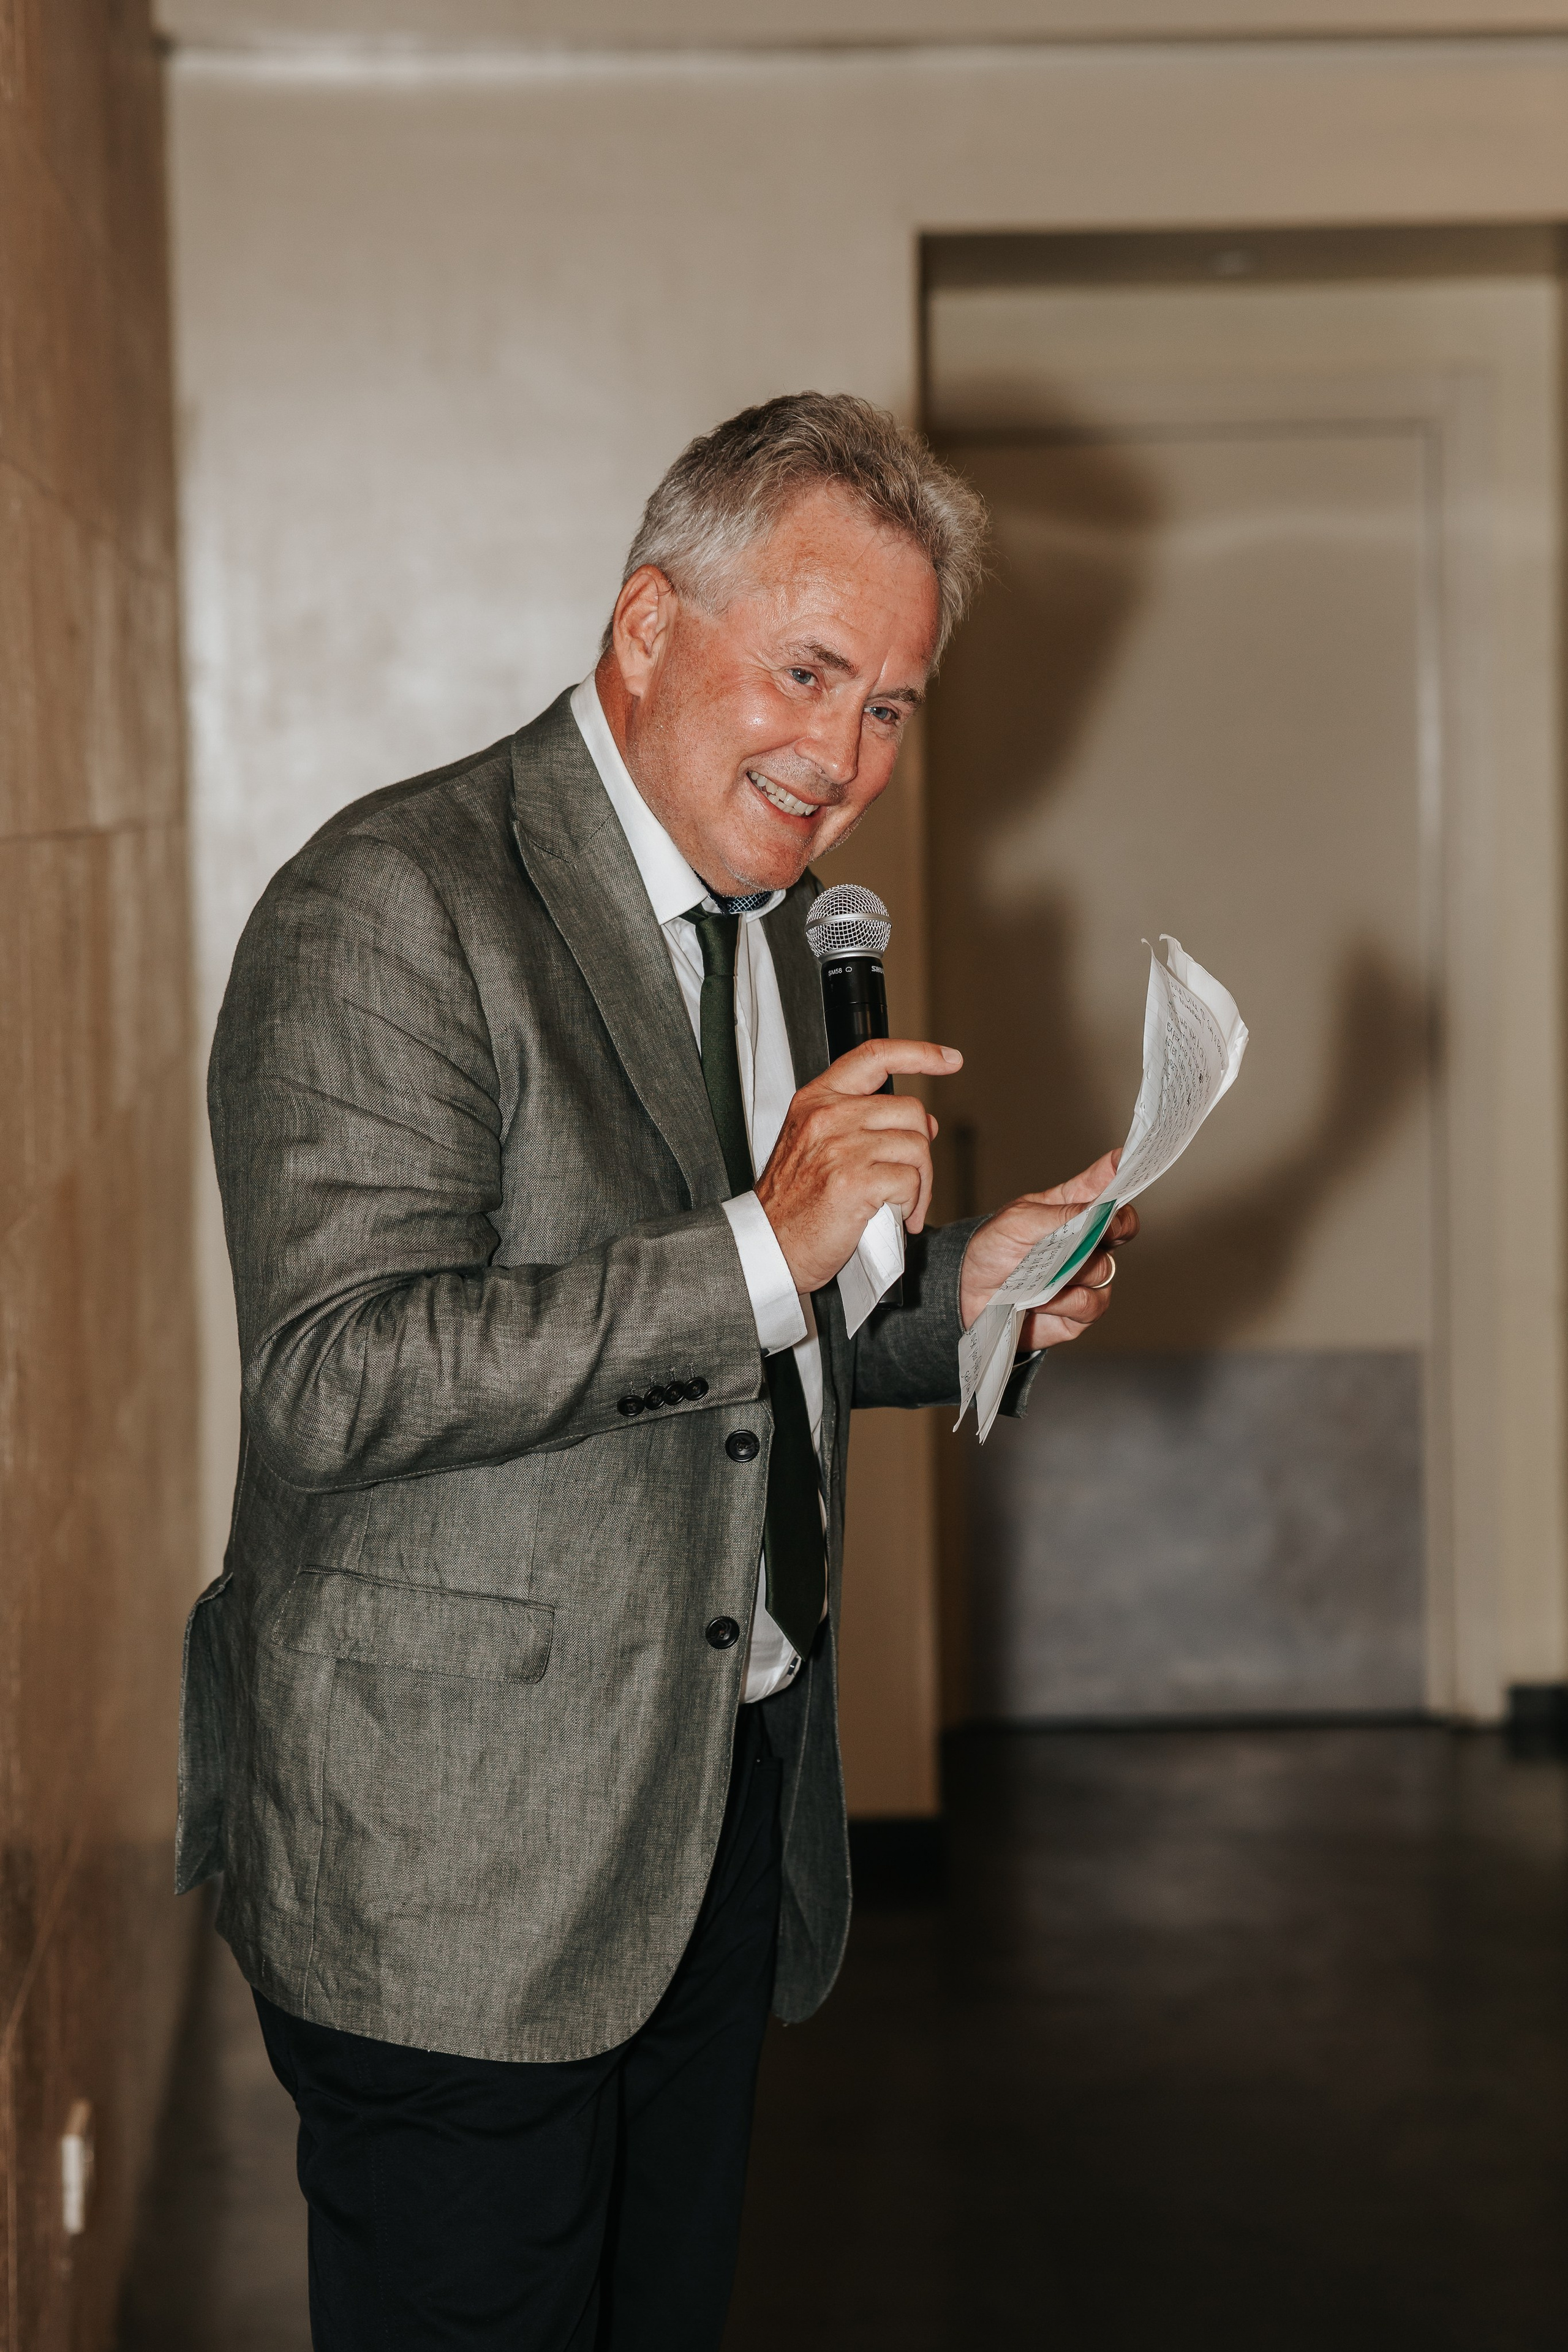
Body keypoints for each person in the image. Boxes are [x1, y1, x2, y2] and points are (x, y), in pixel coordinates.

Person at [179, 391, 1137, 2351]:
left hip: (709, 1804)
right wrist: (770, 1243)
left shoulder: (755, 920)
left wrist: (965, 1295)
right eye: (809, 672)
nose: (844, 756)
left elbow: (753, 1323)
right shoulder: (392, 903)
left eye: (890, 704)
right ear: (644, 628)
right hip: (459, 1864)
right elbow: (338, 1377)